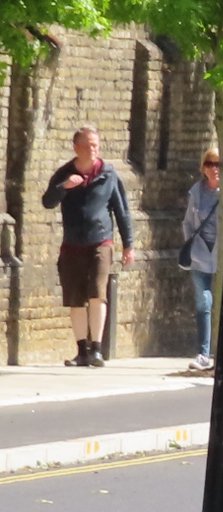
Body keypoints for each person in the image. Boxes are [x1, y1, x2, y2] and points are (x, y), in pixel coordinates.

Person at [42, 125, 135, 367]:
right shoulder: (64, 173)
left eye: (96, 145)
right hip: (72, 244)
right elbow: (47, 202)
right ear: (76, 148)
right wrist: (65, 188)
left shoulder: (108, 174)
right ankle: (82, 350)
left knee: (97, 292)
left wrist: (129, 245)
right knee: (75, 298)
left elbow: (121, 211)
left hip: (100, 242)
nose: (93, 150)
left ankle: (96, 349)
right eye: (88, 145)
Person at [182, 147, 221, 370]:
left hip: (222, 252)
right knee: (203, 301)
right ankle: (204, 354)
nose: (214, 169)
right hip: (199, 254)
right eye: (210, 164)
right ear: (203, 167)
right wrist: (190, 243)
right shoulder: (196, 191)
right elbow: (187, 222)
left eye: (219, 164)